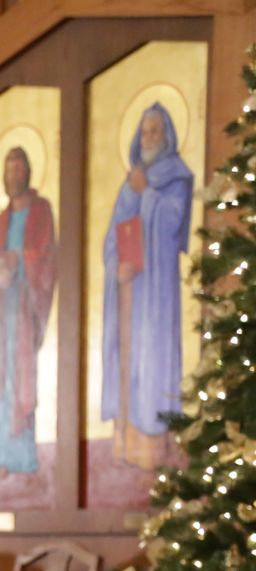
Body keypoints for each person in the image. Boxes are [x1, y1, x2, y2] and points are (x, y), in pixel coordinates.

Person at [102, 102, 194, 469]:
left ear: (168, 135)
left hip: (156, 293)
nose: (149, 138)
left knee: (153, 361)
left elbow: (173, 223)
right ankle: (128, 446)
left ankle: (156, 451)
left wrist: (148, 194)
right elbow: (112, 237)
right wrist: (117, 266)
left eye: (155, 131)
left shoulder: (176, 177)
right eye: (144, 132)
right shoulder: (132, 182)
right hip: (128, 292)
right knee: (127, 362)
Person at [0, 147, 57, 476]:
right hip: (1, 314)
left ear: (28, 172)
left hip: (24, 309)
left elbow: (48, 257)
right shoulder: (0, 221)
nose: (14, 175)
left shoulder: (41, 211)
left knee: (21, 378)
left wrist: (20, 259)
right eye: (9, 170)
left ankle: (22, 457)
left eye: (19, 169)